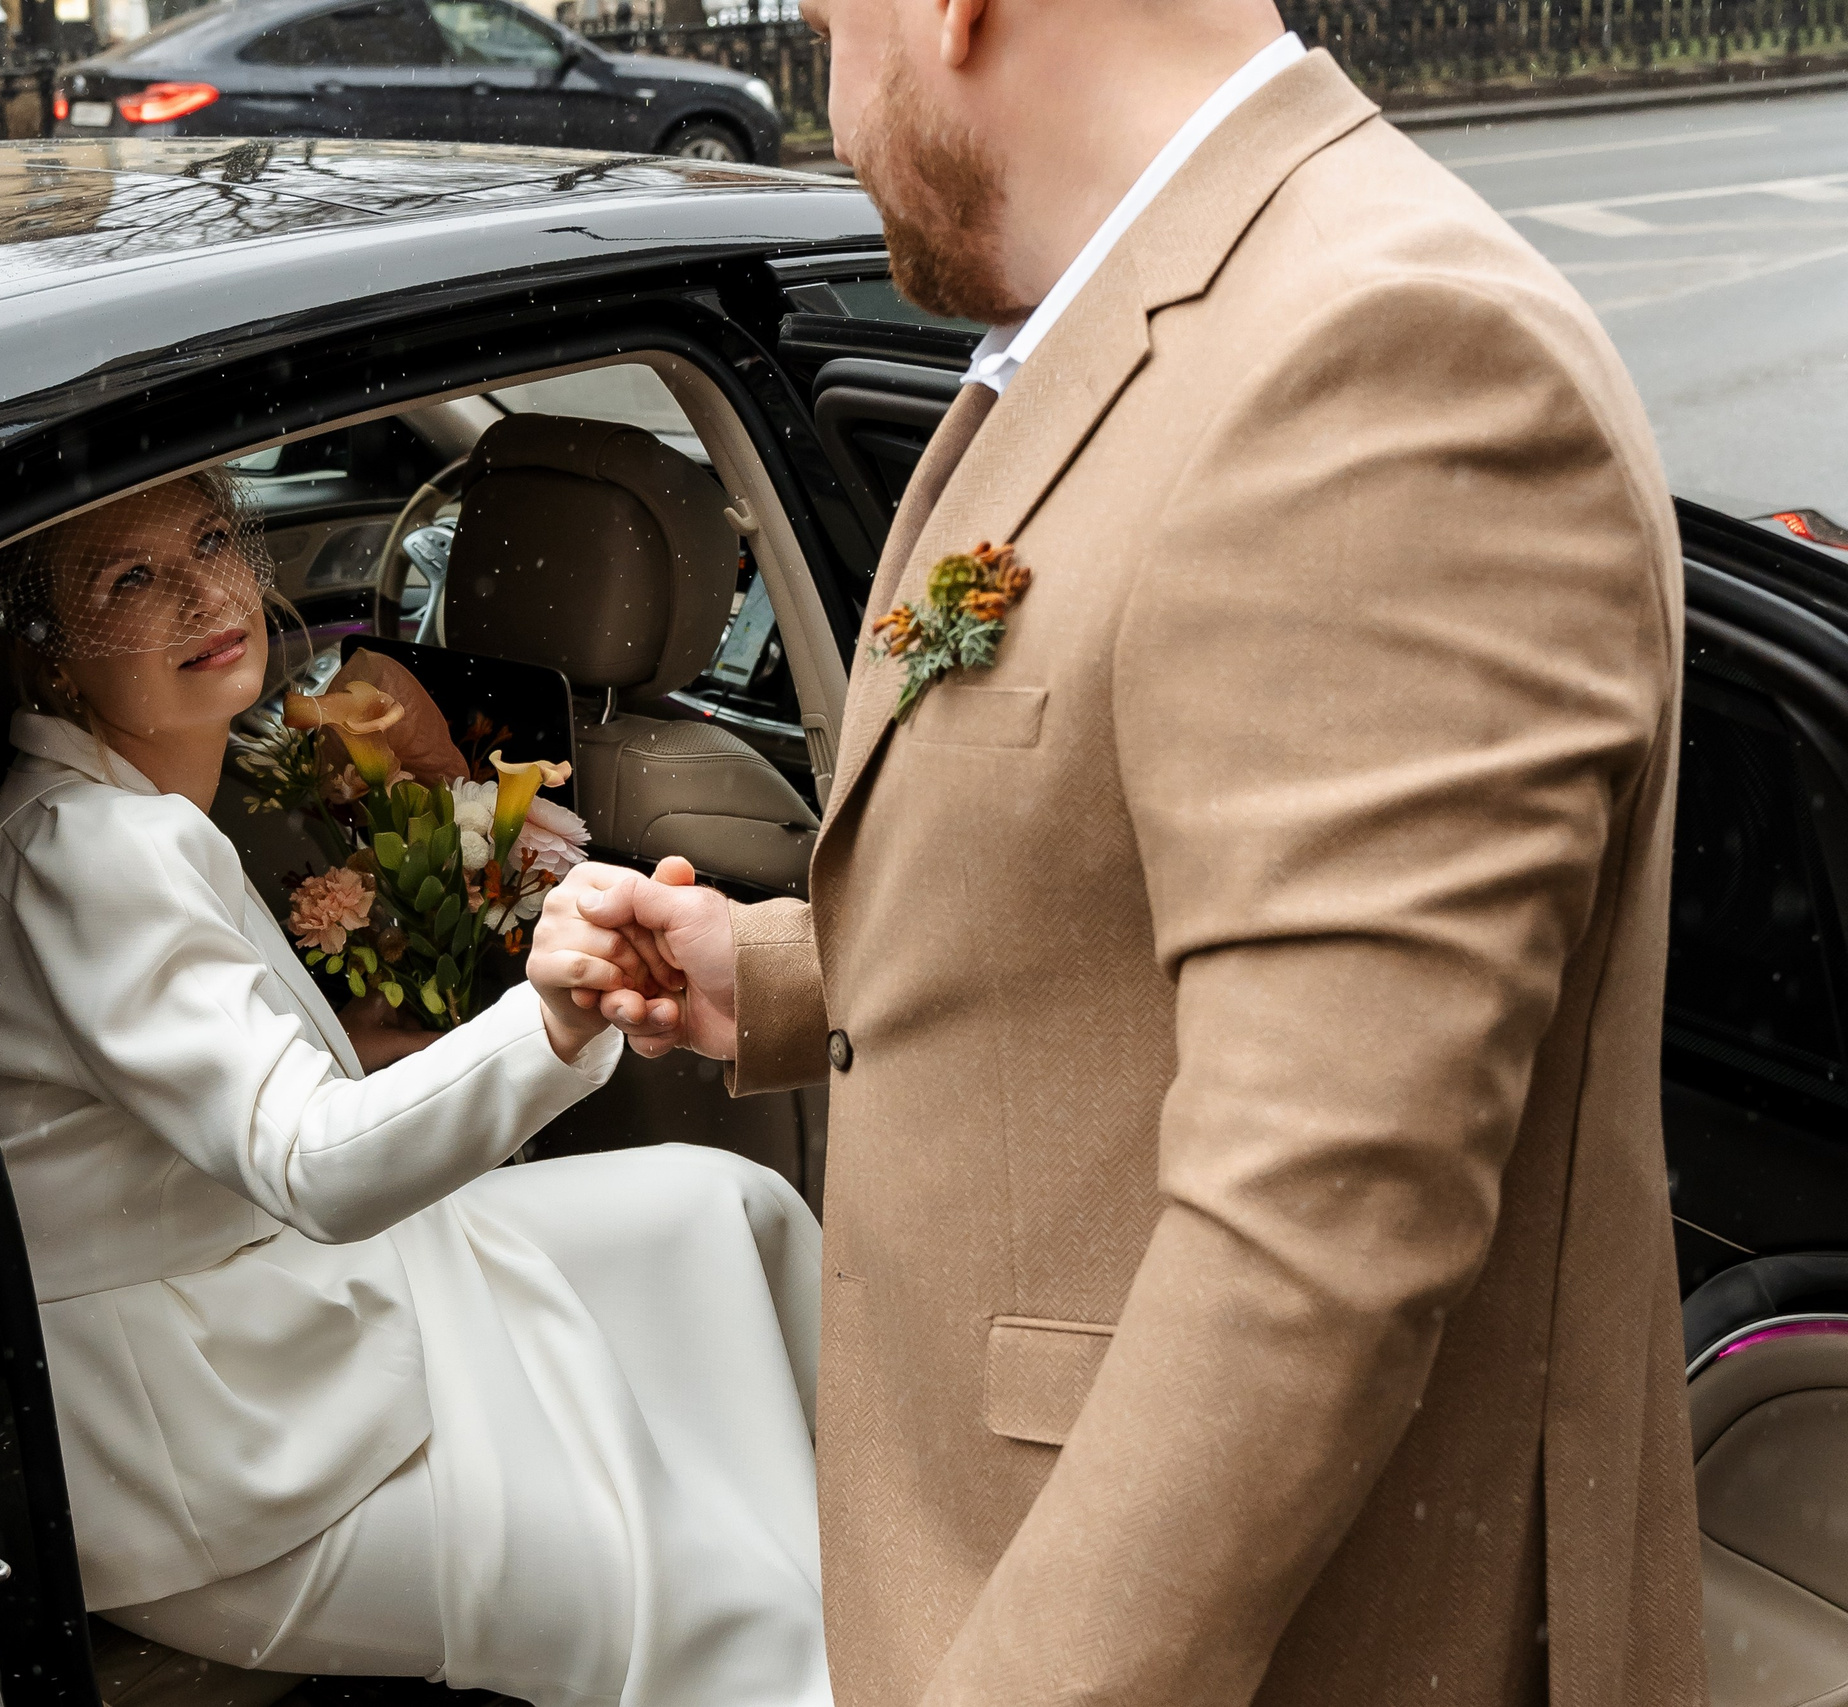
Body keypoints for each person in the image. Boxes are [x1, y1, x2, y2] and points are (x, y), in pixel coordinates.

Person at [574, 2, 1708, 1703]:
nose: (823, 83)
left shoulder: (1382, 351)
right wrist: (788, 974)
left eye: (827, 22)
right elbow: (1128, 834)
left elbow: (1315, 1238)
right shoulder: (1156, 310)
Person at [0, 471, 830, 1707]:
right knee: (712, 1599)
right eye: (131, 580)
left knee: (715, 1207)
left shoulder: (128, 802)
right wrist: (553, 1015)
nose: (208, 591)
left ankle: (863, 1553)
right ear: (47, 660)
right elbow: (311, 1166)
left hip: (268, 1324)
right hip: (219, 1448)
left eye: (208, 540)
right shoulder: (96, 849)